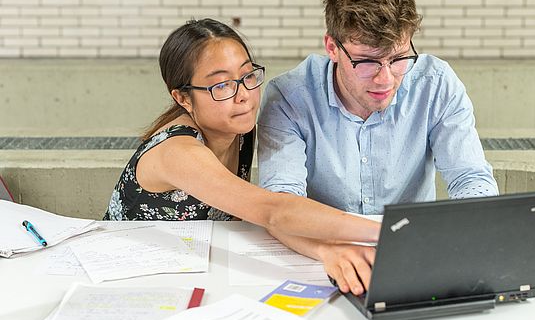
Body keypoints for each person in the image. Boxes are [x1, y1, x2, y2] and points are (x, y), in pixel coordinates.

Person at [257, 0, 499, 285]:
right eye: (367, 62)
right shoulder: (289, 97)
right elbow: (282, 201)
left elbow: (470, 178)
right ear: (332, 48)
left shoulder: (436, 84)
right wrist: (342, 244)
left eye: (398, 59)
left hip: (416, 255)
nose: (385, 79)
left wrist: (473, 230)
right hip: (321, 258)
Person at [104, 18, 379, 294]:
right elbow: (273, 210)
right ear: (183, 98)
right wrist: (386, 232)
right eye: (222, 85)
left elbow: (262, 217)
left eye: (248, 76)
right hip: (125, 278)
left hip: (191, 271)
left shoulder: (239, 131)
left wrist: (327, 250)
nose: (244, 95)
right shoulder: (178, 151)